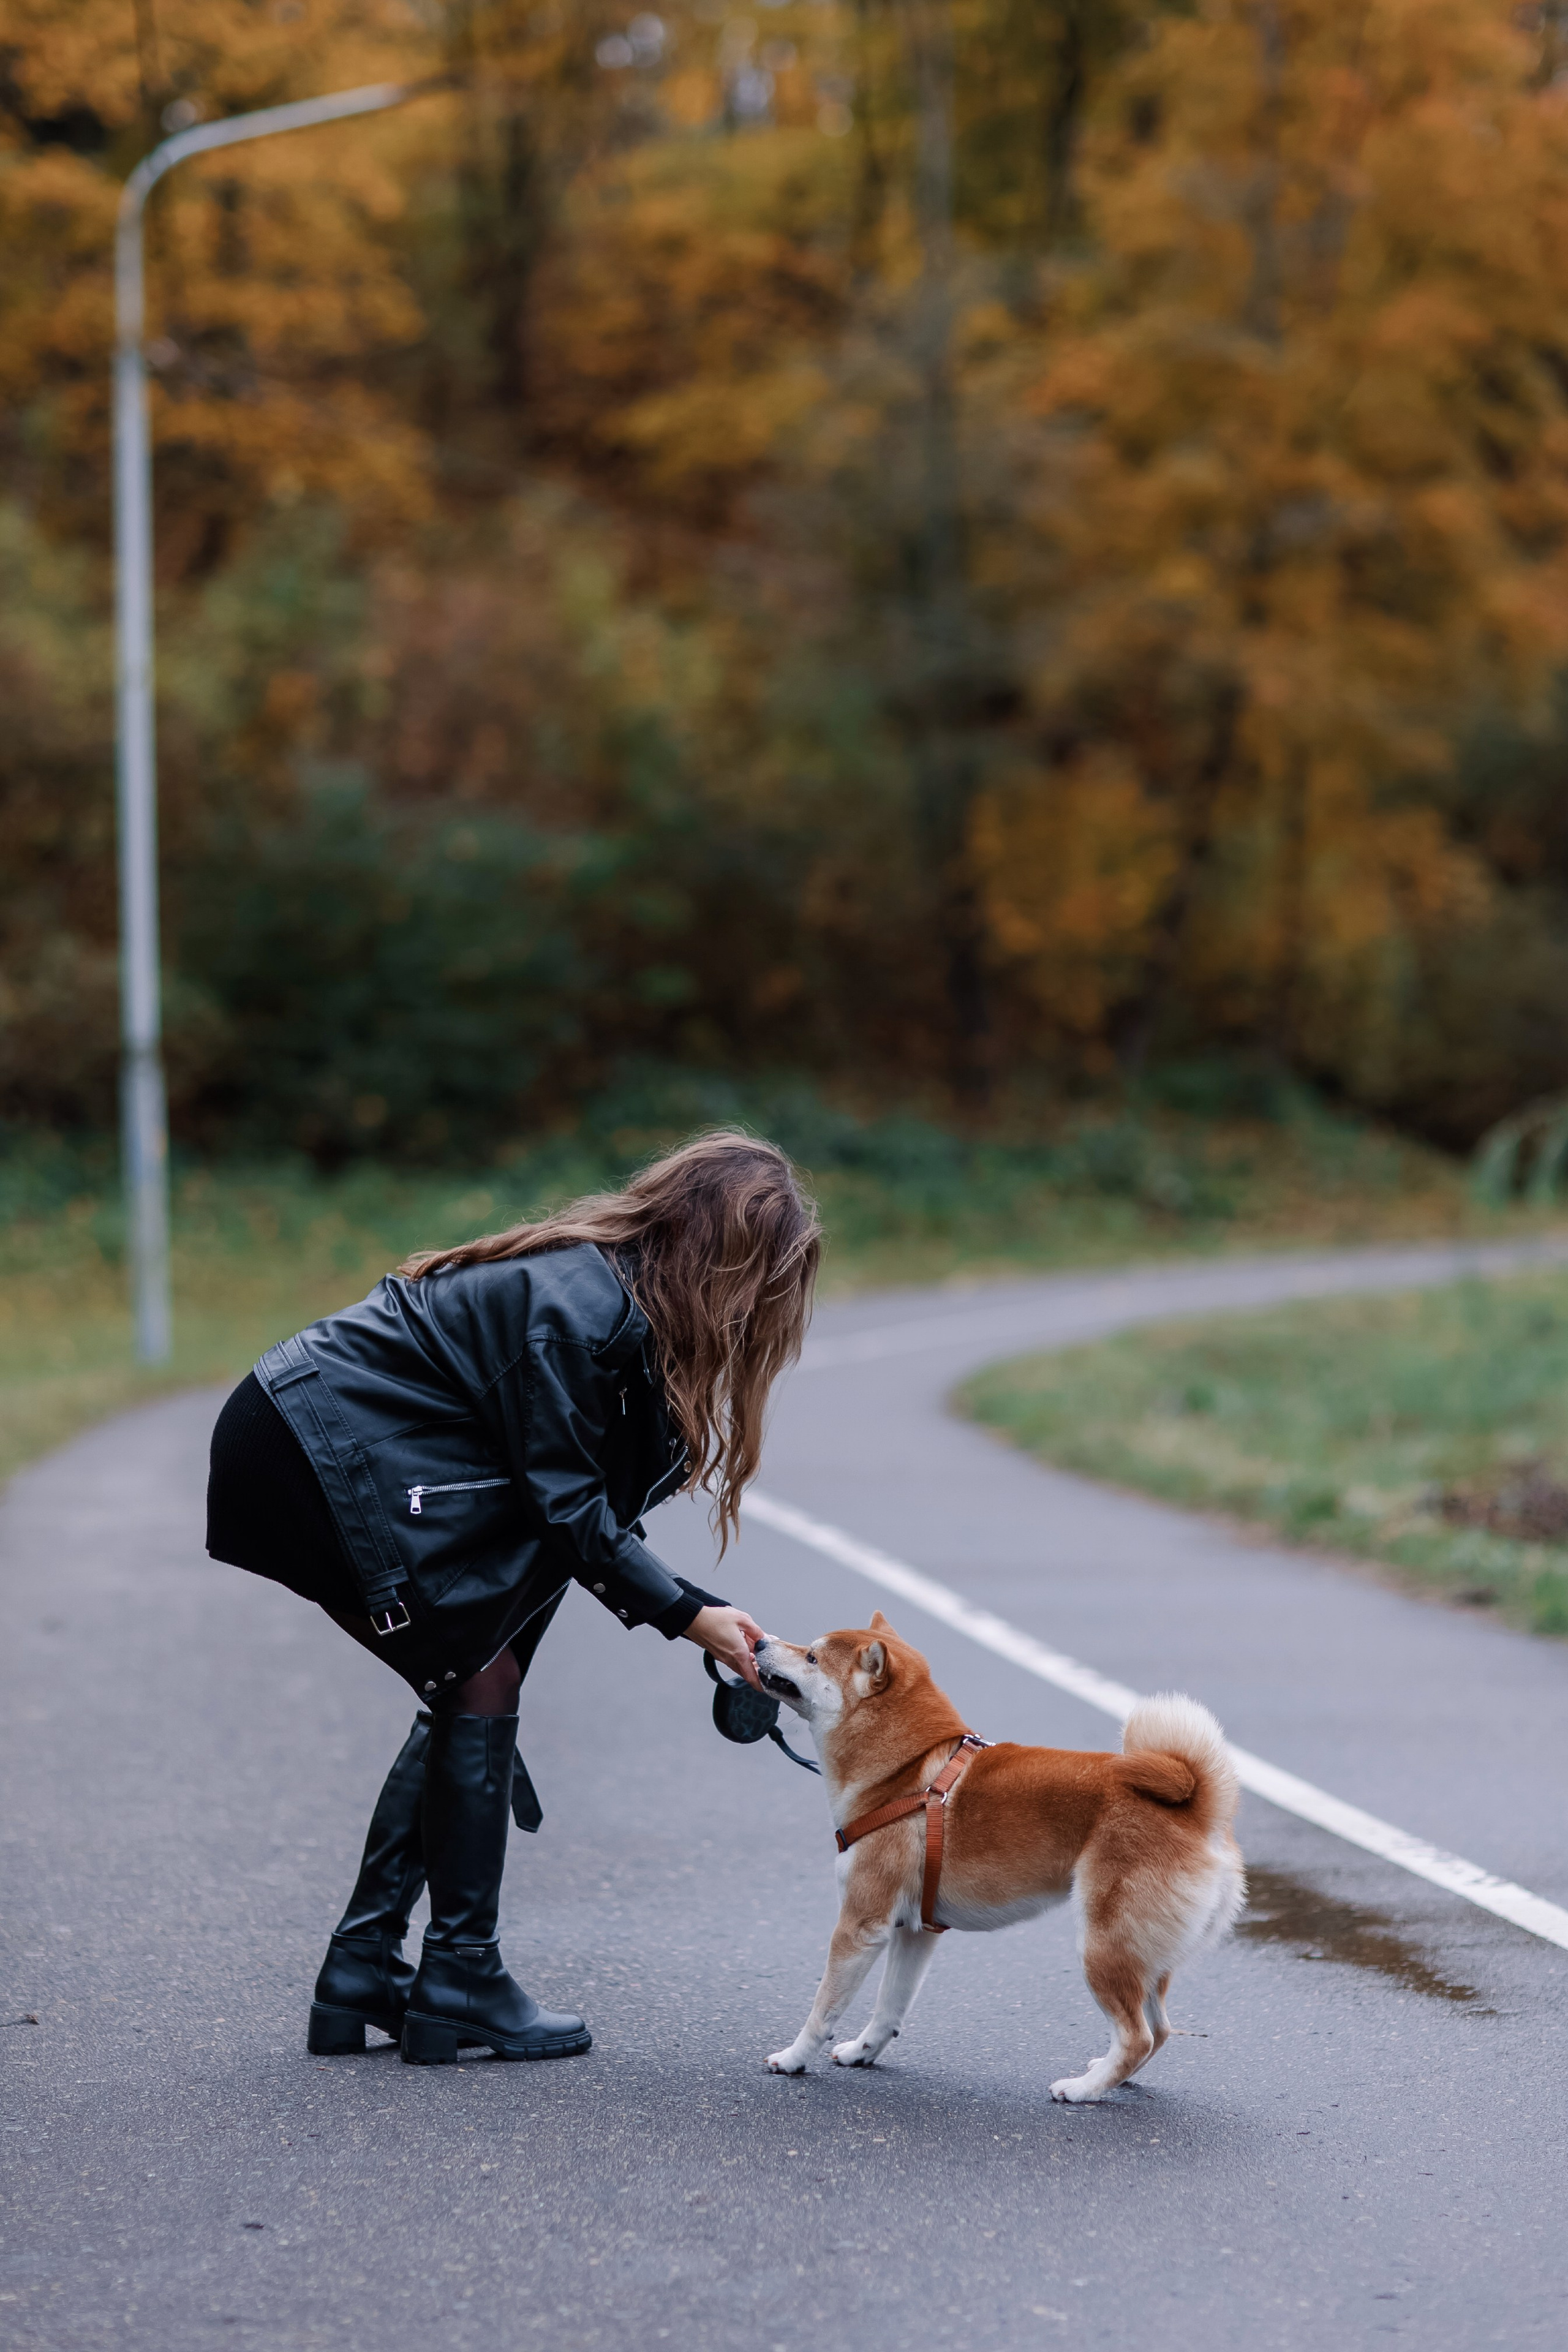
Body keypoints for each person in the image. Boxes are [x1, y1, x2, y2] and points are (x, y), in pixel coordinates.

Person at [206, 1130, 820, 2065]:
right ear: (724, 1261)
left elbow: (573, 1514)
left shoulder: (621, 1316)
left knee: (480, 1663)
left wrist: (692, 1609)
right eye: (763, 1288)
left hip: (332, 1442)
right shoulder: (575, 1309)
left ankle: (368, 1968)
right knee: (478, 1676)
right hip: (308, 1444)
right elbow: (565, 1504)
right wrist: (689, 1613)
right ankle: (458, 1974)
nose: (757, 1318)